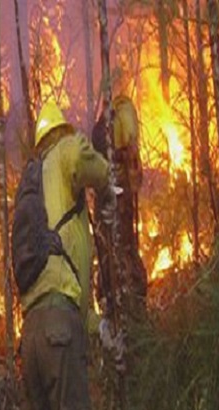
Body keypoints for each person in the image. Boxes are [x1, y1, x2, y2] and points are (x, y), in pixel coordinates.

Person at [12, 101, 112, 410]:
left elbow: (57, 285)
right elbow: (90, 161)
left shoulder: (32, 182)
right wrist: (108, 179)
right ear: (59, 132)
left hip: (32, 335)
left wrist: (97, 326)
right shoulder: (64, 150)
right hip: (59, 328)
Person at [91, 95, 147, 326]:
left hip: (112, 198)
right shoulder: (123, 139)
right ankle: (133, 315)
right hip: (120, 199)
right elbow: (136, 178)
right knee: (125, 252)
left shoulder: (105, 133)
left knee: (116, 254)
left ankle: (123, 318)